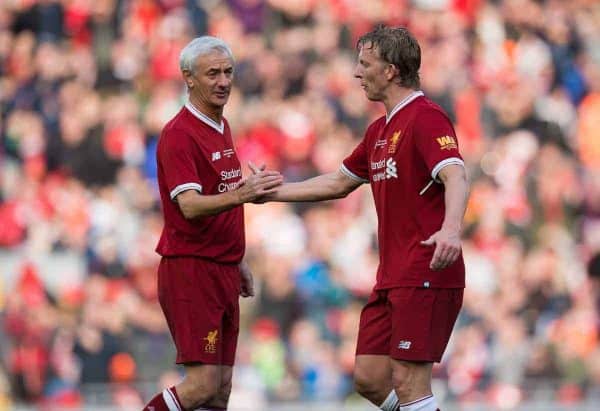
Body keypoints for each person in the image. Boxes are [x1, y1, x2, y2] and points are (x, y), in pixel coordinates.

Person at [253, 25, 469, 411]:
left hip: (426, 267)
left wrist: (451, 230)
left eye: (364, 63)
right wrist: (269, 193)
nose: (357, 73)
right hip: (391, 275)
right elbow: (338, 182)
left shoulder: (426, 118)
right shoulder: (378, 131)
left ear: (390, 71)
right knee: (369, 377)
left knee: (408, 380)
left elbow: (455, 174)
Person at [143, 36, 283, 411]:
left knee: (220, 392)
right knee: (202, 386)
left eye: (228, 72)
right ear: (189, 78)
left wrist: (237, 259)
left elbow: (219, 196)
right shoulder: (179, 134)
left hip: (221, 267)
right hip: (192, 268)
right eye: (212, 74)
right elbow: (189, 205)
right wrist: (243, 193)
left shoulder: (221, 127)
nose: (223, 81)